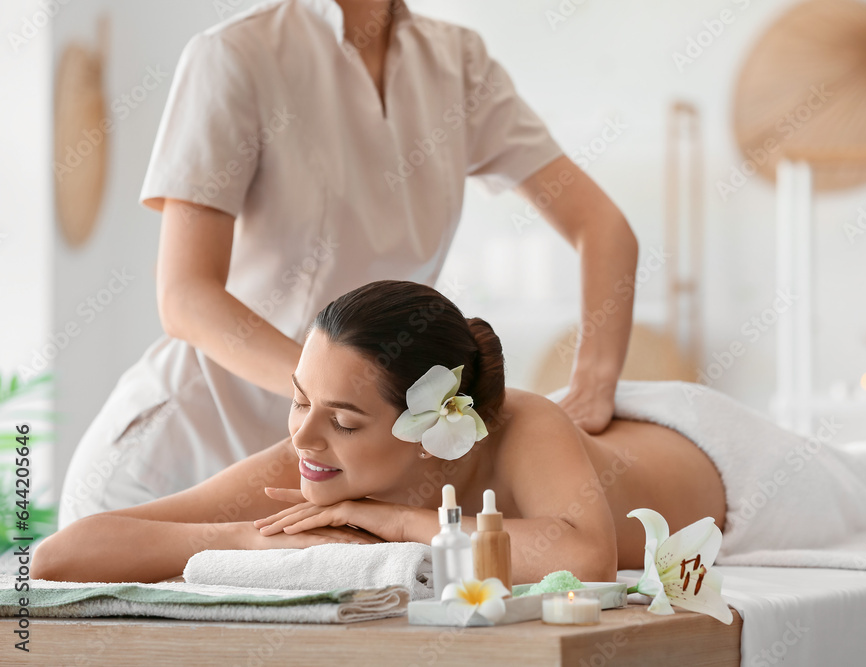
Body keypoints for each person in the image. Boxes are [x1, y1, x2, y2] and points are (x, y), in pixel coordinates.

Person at [57, 0, 639, 529]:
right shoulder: (237, 55)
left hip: (346, 467)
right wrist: (335, 408)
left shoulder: (458, 63)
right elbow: (185, 298)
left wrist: (593, 385)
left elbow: (603, 226)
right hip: (183, 453)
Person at [33, 280, 866, 585]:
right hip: (629, 451)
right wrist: (246, 533)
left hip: (731, 465)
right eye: (298, 398)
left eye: (343, 414)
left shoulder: (525, 422)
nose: (306, 437)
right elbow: (70, 553)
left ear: (427, 426)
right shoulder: (315, 458)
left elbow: (578, 550)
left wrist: (402, 527)